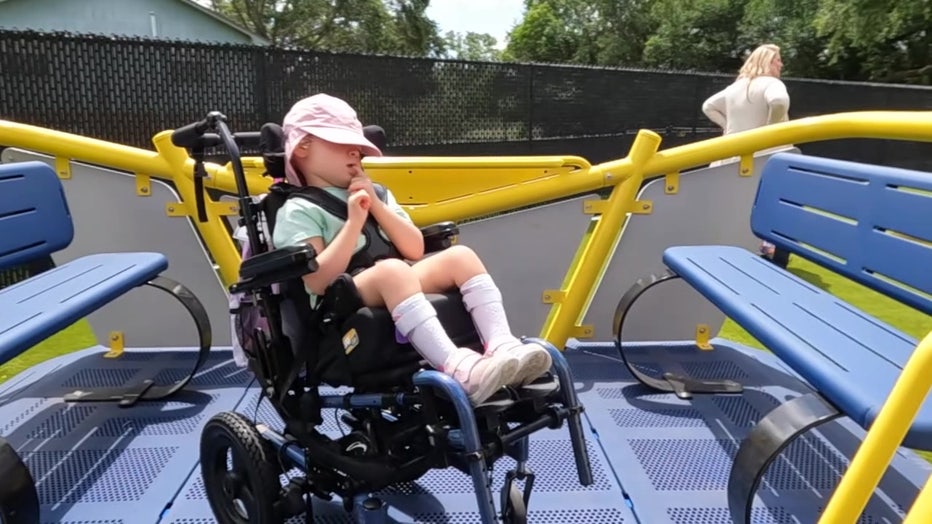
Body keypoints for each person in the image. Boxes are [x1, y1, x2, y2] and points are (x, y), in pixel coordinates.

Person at [271, 93, 553, 405]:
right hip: (337, 306)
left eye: (358, 146)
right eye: (340, 143)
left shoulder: (376, 193)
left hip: (393, 282)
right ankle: (458, 368)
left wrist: (376, 205)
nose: (355, 151)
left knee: (460, 256)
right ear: (303, 147)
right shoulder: (298, 210)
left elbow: (414, 248)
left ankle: (502, 346)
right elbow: (317, 281)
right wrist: (353, 223)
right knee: (393, 270)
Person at [702, 44, 792, 267]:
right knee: (771, 205)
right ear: (766, 61)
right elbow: (779, 102)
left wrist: (727, 128)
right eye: (777, 59)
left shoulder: (736, 88)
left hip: (733, 155)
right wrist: (770, 130)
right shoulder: (771, 83)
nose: (781, 64)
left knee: (735, 204)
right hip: (766, 157)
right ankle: (769, 254)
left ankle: (731, 250)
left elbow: (708, 106)